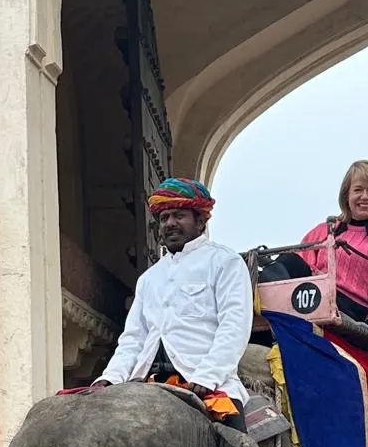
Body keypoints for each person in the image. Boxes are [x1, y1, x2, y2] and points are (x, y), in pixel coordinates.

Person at [91, 177, 253, 431]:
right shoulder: (148, 279)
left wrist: (207, 377)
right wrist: (110, 377)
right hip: (146, 382)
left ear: (200, 220)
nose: (170, 224)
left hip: (204, 382)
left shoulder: (226, 262)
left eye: (179, 215)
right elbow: (133, 339)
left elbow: (233, 328)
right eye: (165, 218)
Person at [260, 159, 368, 330]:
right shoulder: (326, 230)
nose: (365, 196)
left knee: (316, 290)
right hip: (314, 295)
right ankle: (257, 298)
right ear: (347, 195)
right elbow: (299, 265)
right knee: (290, 260)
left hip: (353, 308)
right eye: (358, 190)